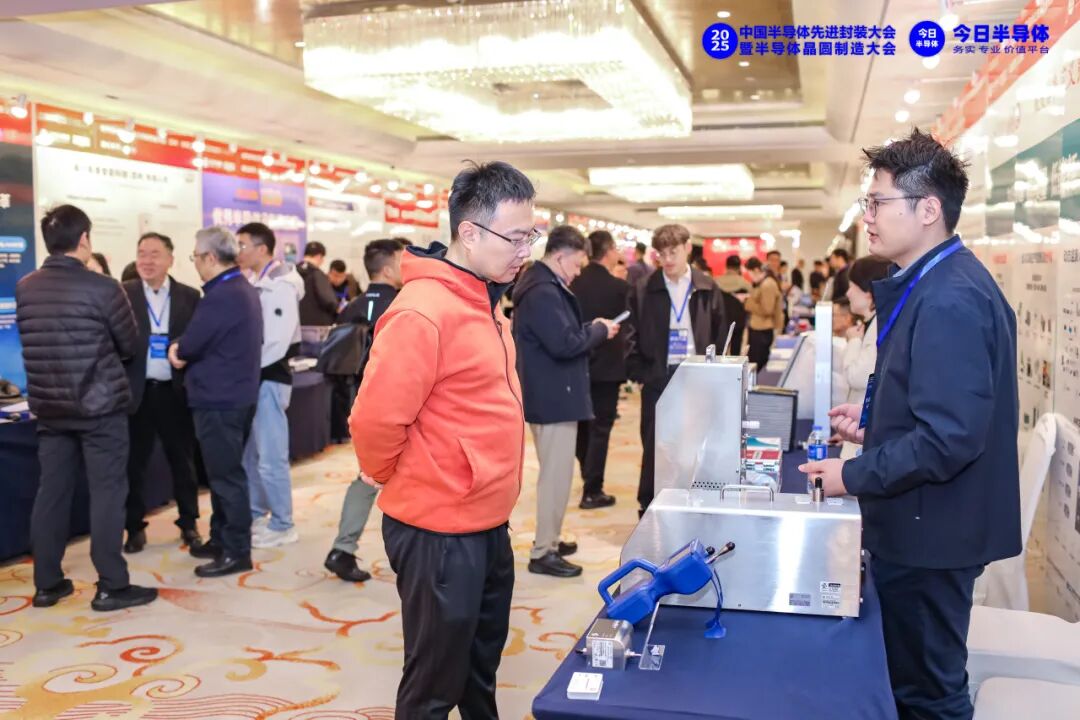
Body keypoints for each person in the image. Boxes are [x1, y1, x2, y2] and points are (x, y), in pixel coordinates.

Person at [801, 129, 1020, 720]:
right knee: (913, 682)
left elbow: (949, 439)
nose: (867, 217)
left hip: (933, 533)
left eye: (878, 203)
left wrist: (852, 475)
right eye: (867, 203)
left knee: (927, 695)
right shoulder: (936, 281)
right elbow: (941, 407)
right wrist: (876, 425)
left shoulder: (950, 297)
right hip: (929, 522)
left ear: (928, 210)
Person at [351, 161, 536, 719]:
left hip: (487, 519)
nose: (525, 250)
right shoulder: (423, 311)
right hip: (438, 529)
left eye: (531, 235)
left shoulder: (484, 301)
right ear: (469, 233)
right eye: (516, 237)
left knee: (480, 667)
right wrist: (400, 477)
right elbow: (375, 421)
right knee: (434, 682)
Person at [16, 204, 157, 612]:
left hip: (50, 407)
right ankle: (111, 584)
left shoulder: (26, 287)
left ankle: (47, 584)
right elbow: (129, 345)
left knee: (52, 493)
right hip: (100, 407)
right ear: (84, 240)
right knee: (108, 492)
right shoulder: (104, 288)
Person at [513, 226, 616, 578]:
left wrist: (590, 328)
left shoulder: (542, 285)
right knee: (556, 479)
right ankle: (544, 551)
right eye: (576, 264)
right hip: (553, 396)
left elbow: (560, 336)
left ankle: (551, 538)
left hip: (551, 393)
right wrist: (598, 330)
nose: (578, 272)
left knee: (556, 475)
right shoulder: (543, 291)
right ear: (560, 256)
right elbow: (564, 344)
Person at [168, 226, 263, 578]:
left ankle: (236, 551)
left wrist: (177, 349)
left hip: (220, 400)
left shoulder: (223, 294)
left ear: (210, 257)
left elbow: (191, 345)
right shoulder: (239, 288)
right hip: (234, 395)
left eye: (195, 256)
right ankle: (221, 539)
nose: (194, 262)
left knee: (226, 478)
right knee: (225, 474)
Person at [627, 224, 728, 515]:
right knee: (656, 443)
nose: (667, 259)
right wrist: (640, 372)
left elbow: (720, 329)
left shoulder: (706, 286)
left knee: (696, 441)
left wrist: (716, 368)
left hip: (697, 373)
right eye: (662, 254)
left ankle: (694, 500)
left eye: (673, 252)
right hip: (658, 374)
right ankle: (649, 505)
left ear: (687, 249)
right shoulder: (644, 288)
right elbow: (630, 332)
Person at [325, 238, 406, 583]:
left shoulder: (352, 307)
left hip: (363, 404)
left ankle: (343, 548)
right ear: (387, 269)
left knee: (368, 475)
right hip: (401, 406)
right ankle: (410, 557)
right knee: (408, 481)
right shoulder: (404, 304)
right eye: (401, 260)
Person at [122, 232, 204, 554]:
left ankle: (189, 523)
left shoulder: (189, 296)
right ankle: (134, 527)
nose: (146, 260)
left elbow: (197, 341)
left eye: (154, 254)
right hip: (137, 393)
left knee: (182, 461)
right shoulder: (124, 293)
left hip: (174, 391)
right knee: (134, 464)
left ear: (170, 259)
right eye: (141, 253)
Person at [236, 222, 304, 549]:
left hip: (270, 378)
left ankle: (283, 523)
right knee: (252, 455)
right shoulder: (255, 281)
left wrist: (247, 368)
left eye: (243, 245)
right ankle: (256, 514)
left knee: (271, 456)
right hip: (254, 378)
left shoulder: (281, 285)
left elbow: (277, 342)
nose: (238, 251)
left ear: (262, 249)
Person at [570, 230, 630, 511]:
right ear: (608, 251)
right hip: (607, 367)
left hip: (576, 363)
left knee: (581, 426)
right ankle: (592, 488)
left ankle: (587, 472)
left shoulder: (573, 282)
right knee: (601, 429)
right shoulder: (618, 288)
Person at [743, 257, 783, 371]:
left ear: (756, 270)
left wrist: (747, 302)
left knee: (757, 365)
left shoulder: (767, 284)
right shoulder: (763, 283)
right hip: (758, 328)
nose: (750, 277)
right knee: (754, 363)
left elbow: (767, 310)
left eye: (750, 273)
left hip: (762, 330)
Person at [297, 241, 338, 325]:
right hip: (316, 326)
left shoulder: (292, 272)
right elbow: (329, 301)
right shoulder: (317, 274)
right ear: (319, 257)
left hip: (295, 324)